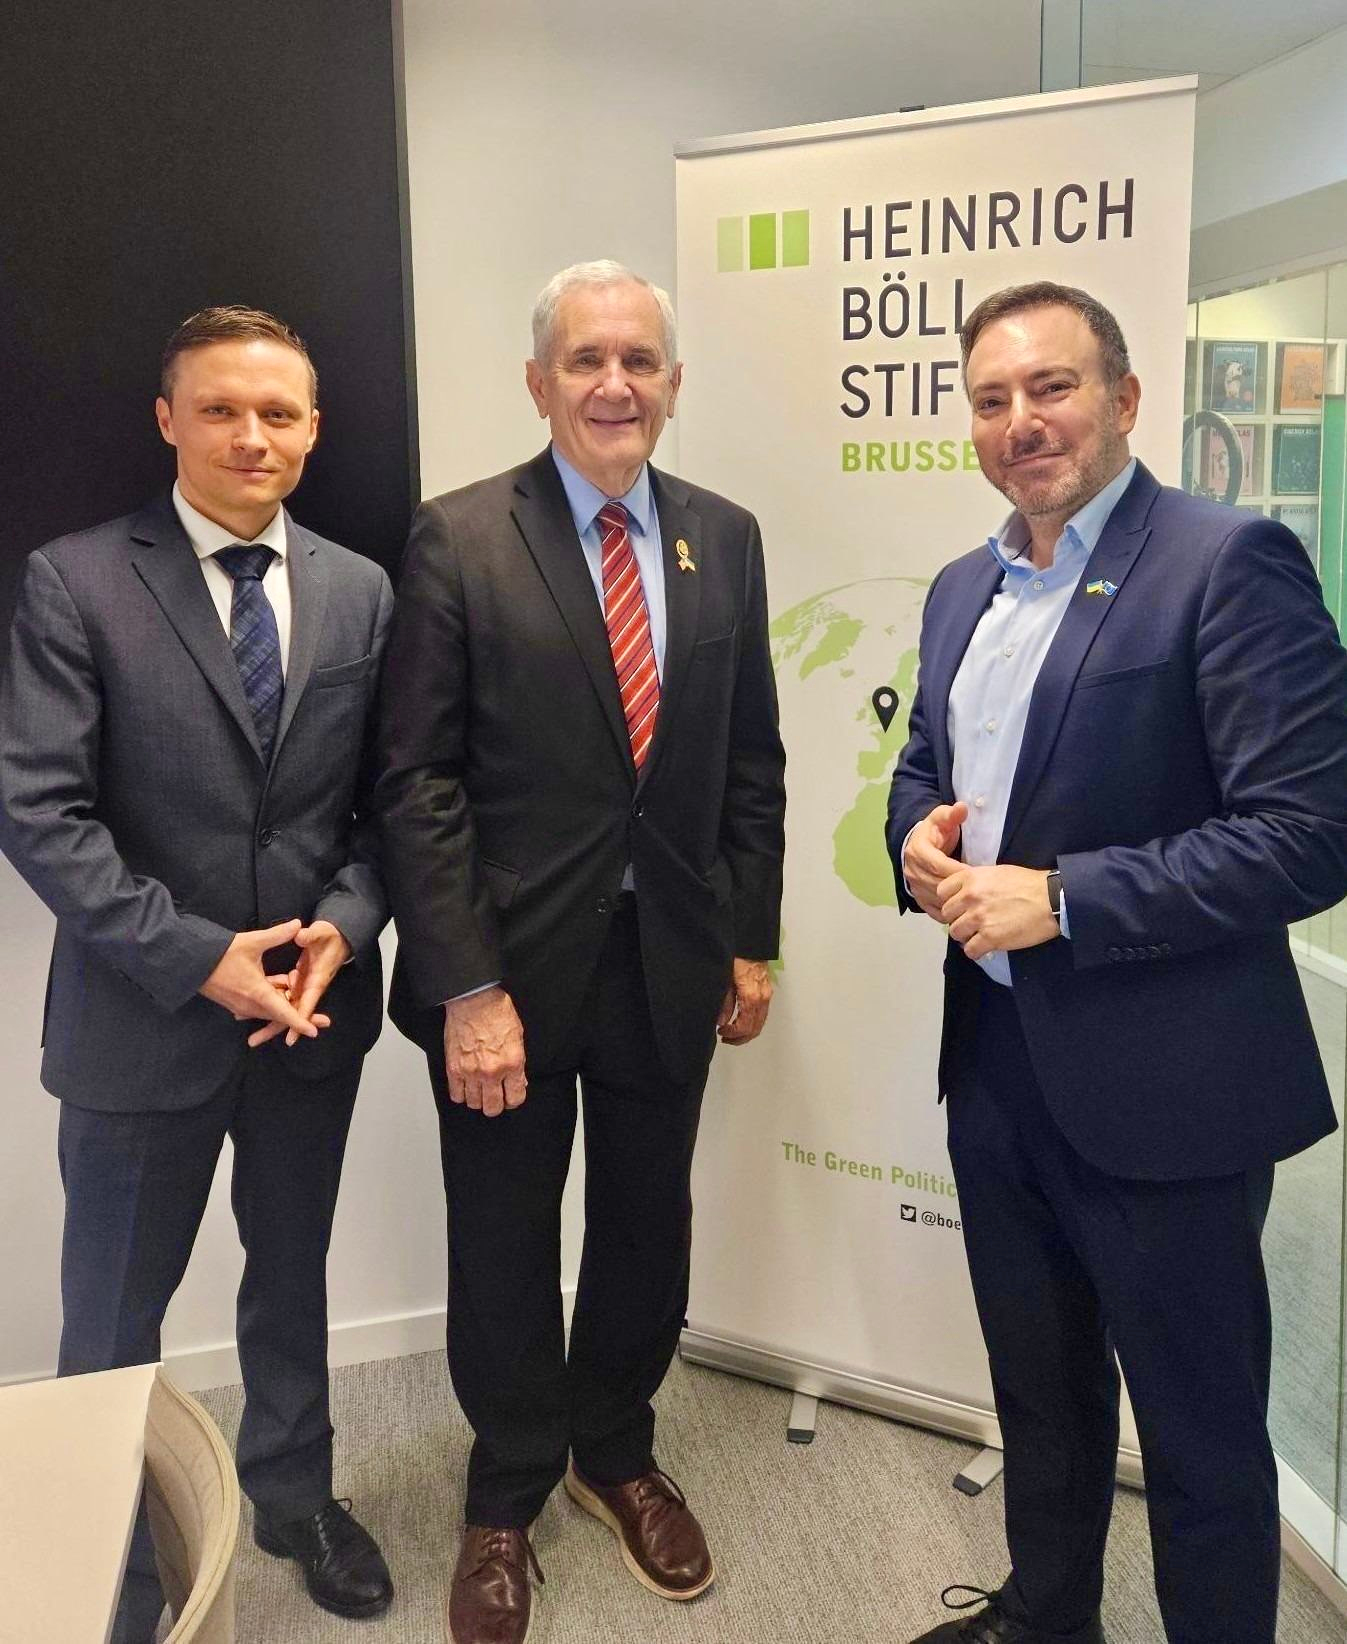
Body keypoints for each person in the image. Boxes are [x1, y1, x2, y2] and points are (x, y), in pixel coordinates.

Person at [886, 281, 1347, 1644]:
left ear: (1126, 398)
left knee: (1200, 1438)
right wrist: (917, 840)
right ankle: (1047, 1617)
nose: (1021, 421)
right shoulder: (963, 587)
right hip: (996, 1071)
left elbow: (1309, 836)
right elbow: (926, 764)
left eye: (1053, 387)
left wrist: (1063, 899)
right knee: (1040, 1393)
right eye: (992, 399)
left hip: (1171, 1091)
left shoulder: (1228, 559)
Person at [376, 260, 786, 1644]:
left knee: (645, 1224)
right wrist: (467, 985)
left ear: (673, 383)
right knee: (502, 1235)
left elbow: (749, 757)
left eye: (641, 360)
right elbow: (416, 781)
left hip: (669, 956)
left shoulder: (725, 537)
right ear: (540, 381)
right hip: (506, 972)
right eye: (587, 359)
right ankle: (505, 1490)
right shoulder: (458, 536)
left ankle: (613, 1451)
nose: (616, 384)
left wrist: (749, 938)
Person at [0, 306, 395, 1639]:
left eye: (278, 413)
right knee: (113, 1320)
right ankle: (107, 1571)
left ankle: (294, 1494)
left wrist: (347, 923)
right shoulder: (76, 580)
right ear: (169, 419)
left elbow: (385, 804)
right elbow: (40, 814)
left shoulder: (360, 589)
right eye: (221, 409)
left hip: (308, 1017)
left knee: (291, 1275)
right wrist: (197, 959)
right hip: (139, 1023)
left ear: (314, 428)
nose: (251, 436)